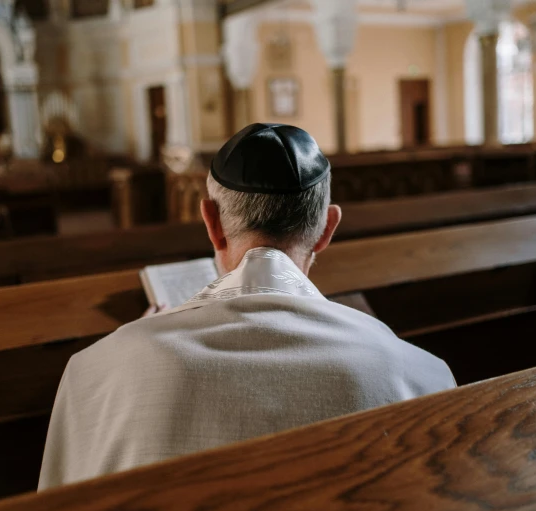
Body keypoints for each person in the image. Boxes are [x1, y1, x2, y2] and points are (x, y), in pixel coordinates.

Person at [38, 123, 456, 490]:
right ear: (327, 229)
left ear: (212, 222)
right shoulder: (422, 374)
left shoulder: (95, 374)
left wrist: (139, 338)